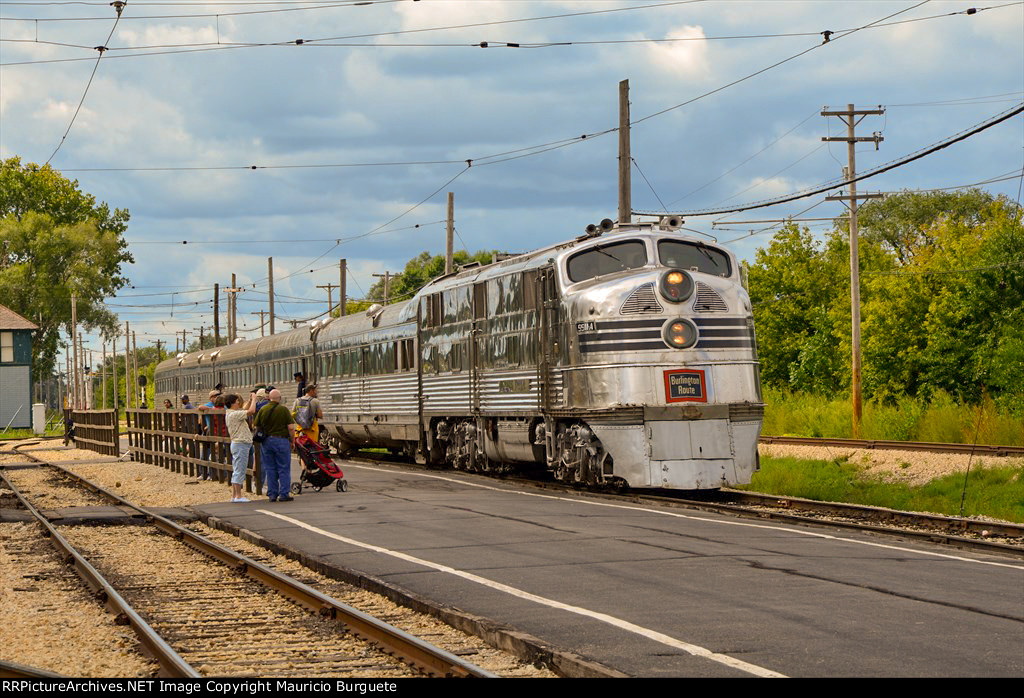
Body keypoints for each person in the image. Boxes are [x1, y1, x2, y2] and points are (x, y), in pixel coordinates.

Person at [253, 389, 295, 502]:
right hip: (282, 441)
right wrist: (292, 440)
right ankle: (284, 494)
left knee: (270, 468)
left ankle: (272, 494)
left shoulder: (263, 409)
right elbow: (291, 427)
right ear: (279, 398)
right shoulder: (283, 409)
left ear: (268, 398)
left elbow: (256, 426)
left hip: (267, 442)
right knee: (283, 468)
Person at [224, 392, 256, 503]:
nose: (239, 402)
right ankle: (238, 496)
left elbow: (244, 409)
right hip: (240, 444)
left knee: (237, 469)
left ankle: (234, 495)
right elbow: (251, 411)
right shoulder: (234, 415)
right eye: (237, 401)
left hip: (238, 444)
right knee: (239, 470)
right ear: (233, 403)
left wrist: (250, 400)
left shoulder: (231, 413)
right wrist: (255, 399)